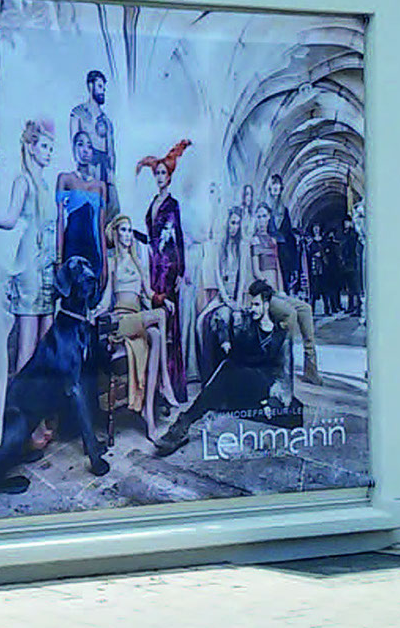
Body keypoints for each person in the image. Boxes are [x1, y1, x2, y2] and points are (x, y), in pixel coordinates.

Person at [153, 280, 290, 456]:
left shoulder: (279, 335)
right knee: (227, 368)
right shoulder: (249, 325)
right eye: (251, 304)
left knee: (226, 372)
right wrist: (233, 333)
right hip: (244, 379)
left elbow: (281, 373)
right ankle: (184, 424)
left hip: (263, 384)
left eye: (256, 305)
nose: (253, 309)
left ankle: (183, 424)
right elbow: (237, 354)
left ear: (267, 304)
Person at [0, 118, 60, 375]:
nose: (48, 153)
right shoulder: (23, 182)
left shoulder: (46, 186)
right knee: (26, 347)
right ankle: (20, 398)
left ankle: (40, 397)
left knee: (45, 344)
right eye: (44, 147)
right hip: (29, 266)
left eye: (51, 148)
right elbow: (10, 219)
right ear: (31, 147)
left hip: (47, 266)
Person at [105, 214, 174, 438]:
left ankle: (149, 415)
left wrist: (164, 299)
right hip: (122, 321)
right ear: (116, 234)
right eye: (123, 230)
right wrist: (94, 313)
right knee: (160, 316)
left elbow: (149, 293)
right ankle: (165, 382)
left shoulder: (138, 262)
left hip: (137, 318)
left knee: (156, 335)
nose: (127, 235)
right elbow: (106, 299)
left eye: (129, 230)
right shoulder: (112, 262)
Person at [138, 142, 193, 402]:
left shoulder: (173, 204)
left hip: (169, 268)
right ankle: (157, 386)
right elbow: (151, 238)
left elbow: (177, 238)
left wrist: (181, 271)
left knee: (170, 325)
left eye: (163, 173)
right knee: (156, 321)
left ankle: (173, 386)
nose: (160, 177)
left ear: (169, 176)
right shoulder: (152, 203)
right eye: (157, 173)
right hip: (153, 267)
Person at [69, 70, 118, 221]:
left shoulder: (106, 121)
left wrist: (111, 177)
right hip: (88, 170)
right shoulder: (78, 113)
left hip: (105, 172)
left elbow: (111, 152)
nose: (103, 91)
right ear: (91, 86)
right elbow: (74, 145)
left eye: (104, 88)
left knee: (111, 212)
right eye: (100, 86)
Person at [268, 175, 301, 299]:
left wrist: (294, 264)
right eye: (274, 185)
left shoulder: (284, 210)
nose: (276, 189)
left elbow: (288, 234)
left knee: (283, 279)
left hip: (283, 251)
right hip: (268, 248)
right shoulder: (265, 208)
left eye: (278, 186)